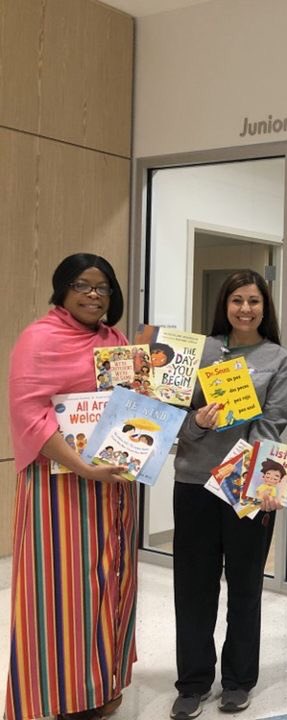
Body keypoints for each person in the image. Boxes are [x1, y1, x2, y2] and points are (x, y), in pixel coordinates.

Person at [5, 254, 134, 720]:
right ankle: (60, 694)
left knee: (111, 583)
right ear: (63, 288)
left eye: (103, 287)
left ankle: (104, 682)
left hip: (112, 486)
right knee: (62, 590)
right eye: (83, 285)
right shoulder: (39, 339)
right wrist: (82, 466)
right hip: (58, 488)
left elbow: (133, 406)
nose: (94, 295)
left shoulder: (115, 340)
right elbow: (29, 415)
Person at [170, 269, 287, 720]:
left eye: (254, 301)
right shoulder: (199, 352)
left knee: (244, 586)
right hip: (193, 483)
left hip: (245, 487)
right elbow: (168, 413)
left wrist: (264, 482)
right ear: (224, 305)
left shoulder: (279, 359)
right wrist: (198, 424)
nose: (246, 309)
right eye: (237, 300)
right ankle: (192, 681)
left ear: (265, 307)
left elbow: (274, 423)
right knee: (193, 587)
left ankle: (239, 680)